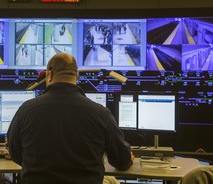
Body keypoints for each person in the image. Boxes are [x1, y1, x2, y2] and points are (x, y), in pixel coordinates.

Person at [7, 52, 134, 184]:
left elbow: (15, 153)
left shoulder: (26, 110)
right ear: (76, 77)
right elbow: (121, 161)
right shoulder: (101, 113)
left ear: (49, 75)